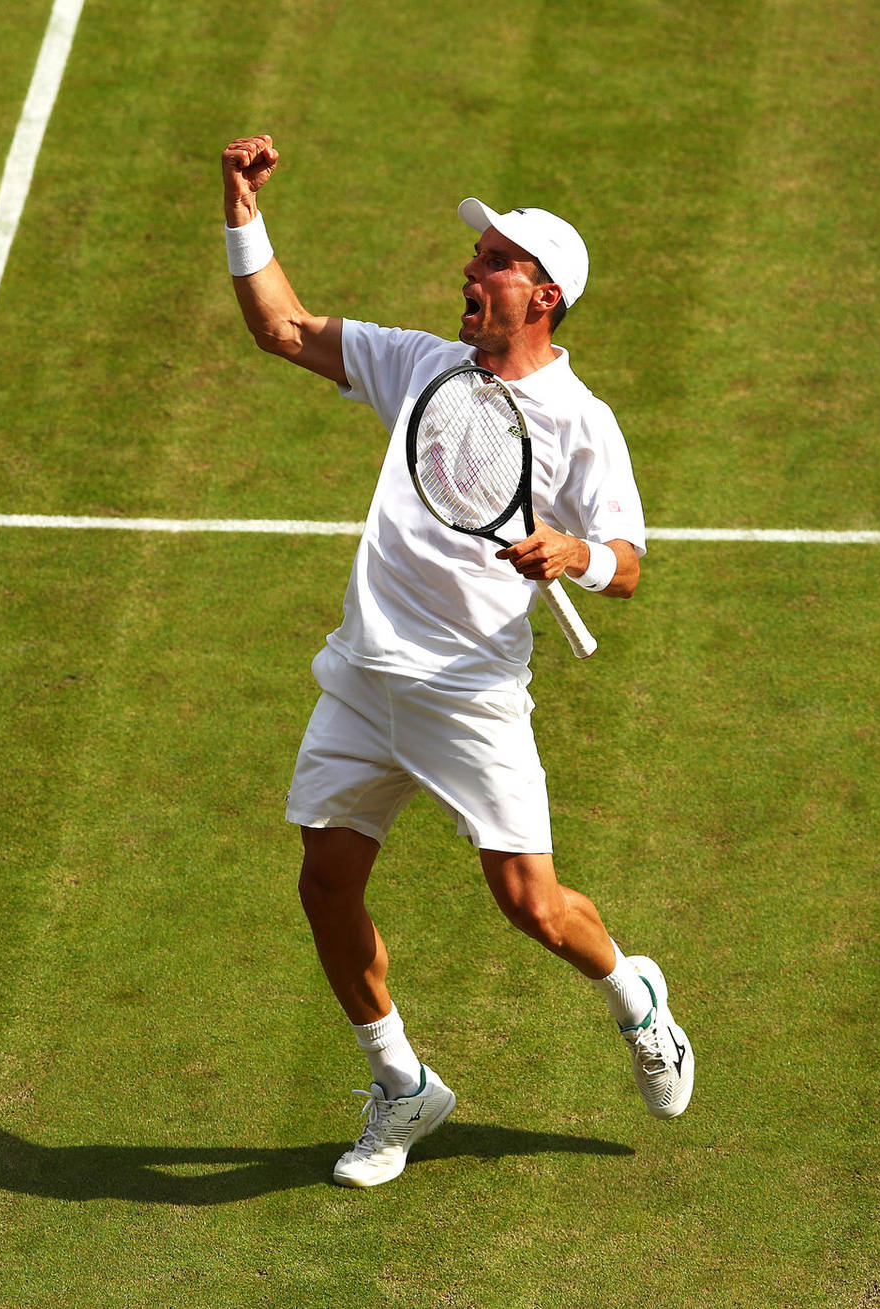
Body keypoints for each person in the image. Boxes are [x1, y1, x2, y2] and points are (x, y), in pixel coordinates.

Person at [219, 134, 692, 1190]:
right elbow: (285, 327)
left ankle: (634, 993)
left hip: (470, 694)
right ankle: (401, 1082)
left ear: (545, 294)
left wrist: (576, 550)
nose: (469, 275)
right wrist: (241, 206)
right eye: (475, 258)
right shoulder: (422, 366)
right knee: (325, 882)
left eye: (493, 263)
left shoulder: (582, 421)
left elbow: (628, 565)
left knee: (529, 902)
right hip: (365, 672)